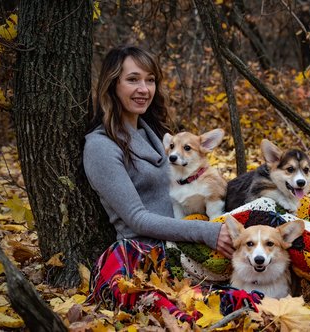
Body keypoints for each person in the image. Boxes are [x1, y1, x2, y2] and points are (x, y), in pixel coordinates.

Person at [83, 45, 234, 322]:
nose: (144, 88)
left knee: (273, 207)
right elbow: (137, 219)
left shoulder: (156, 134)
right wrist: (207, 232)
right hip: (155, 255)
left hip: (189, 236)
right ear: (112, 84)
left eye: (150, 80)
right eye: (133, 79)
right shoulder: (101, 146)